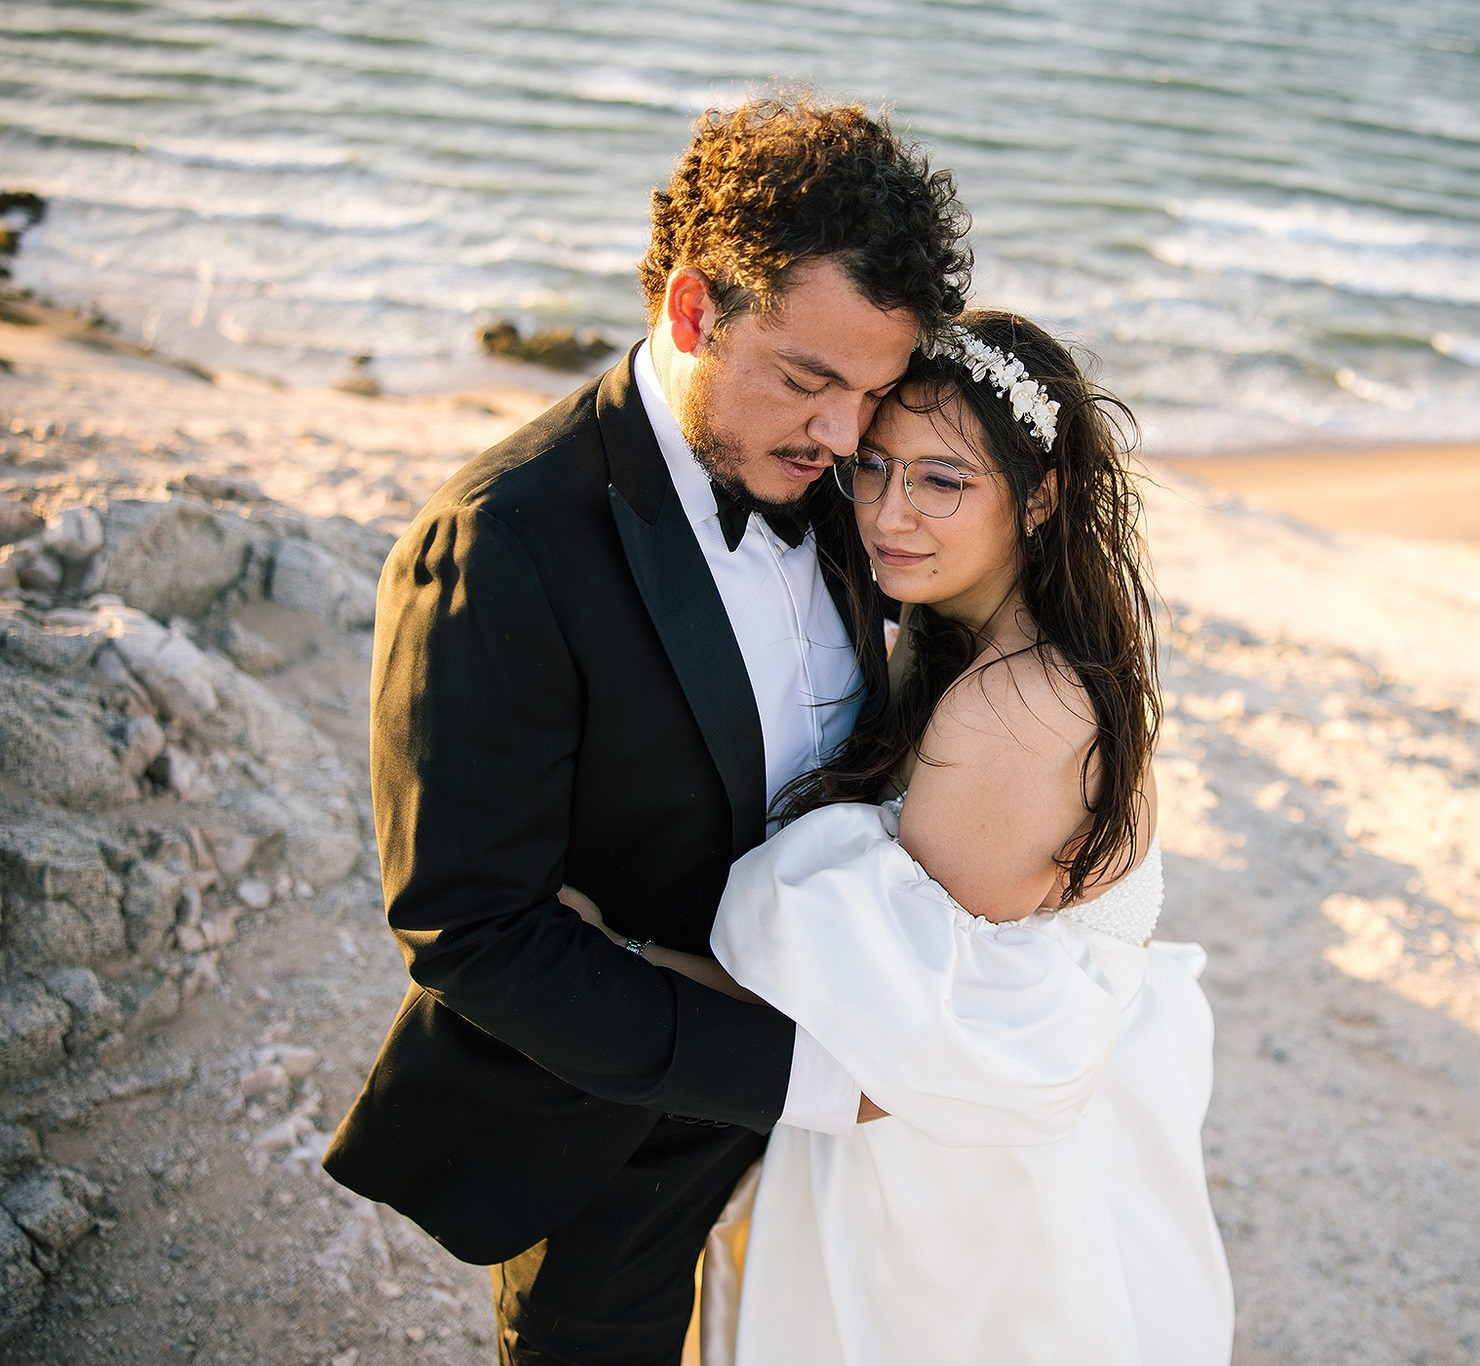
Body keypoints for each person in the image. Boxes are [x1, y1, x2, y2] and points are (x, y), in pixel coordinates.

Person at [320, 94, 972, 1364]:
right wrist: (805, 1076)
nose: (847, 438)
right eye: (809, 380)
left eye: (874, 392)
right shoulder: (499, 547)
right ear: (691, 309)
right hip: (616, 1120)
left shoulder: (837, 474)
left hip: (830, 1081)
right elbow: (475, 933)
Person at [570, 310, 1234, 1365]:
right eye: (873, 468)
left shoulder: (1010, 708)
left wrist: (621, 957)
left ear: (1041, 493)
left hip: (958, 1185)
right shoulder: (991, 637)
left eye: (941, 480)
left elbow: (877, 1013)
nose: (888, 514)